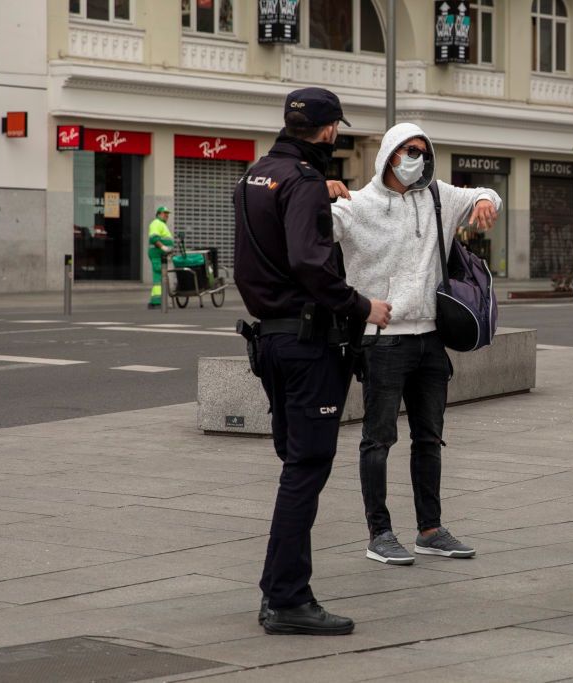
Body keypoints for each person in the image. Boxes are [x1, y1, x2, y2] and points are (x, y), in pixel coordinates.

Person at [233, 87, 392, 636]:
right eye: (336, 131)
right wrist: (362, 305)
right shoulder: (300, 182)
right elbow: (308, 261)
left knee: (295, 463)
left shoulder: (255, 175)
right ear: (328, 132)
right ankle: (286, 598)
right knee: (306, 469)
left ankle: (279, 590)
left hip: (271, 342)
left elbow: (263, 255)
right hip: (306, 345)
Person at [329, 122, 501, 566]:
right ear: (388, 154)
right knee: (378, 439)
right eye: (409, 150)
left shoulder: (437, 196)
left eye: (423, 152)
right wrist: (316, 188)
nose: (417, 159)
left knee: (429, 438)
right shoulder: (357, 204)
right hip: (381, 341)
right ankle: (379, 533)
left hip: (430, 339)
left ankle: (430, 529)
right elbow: (308, 227)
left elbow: (489, 193)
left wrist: (484, 200)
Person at [147, 206, 174, 309]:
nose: (166, 215)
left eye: (167, 213)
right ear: (158, 214)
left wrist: (168, 250)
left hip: (161, 255)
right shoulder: (156, 223)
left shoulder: (161, 224)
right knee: (159, 277)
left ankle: (155, 301)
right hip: (157, 254)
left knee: (159, 277)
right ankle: (158, 301)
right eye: (164, 213)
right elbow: (154, 238)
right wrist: (164, 248)